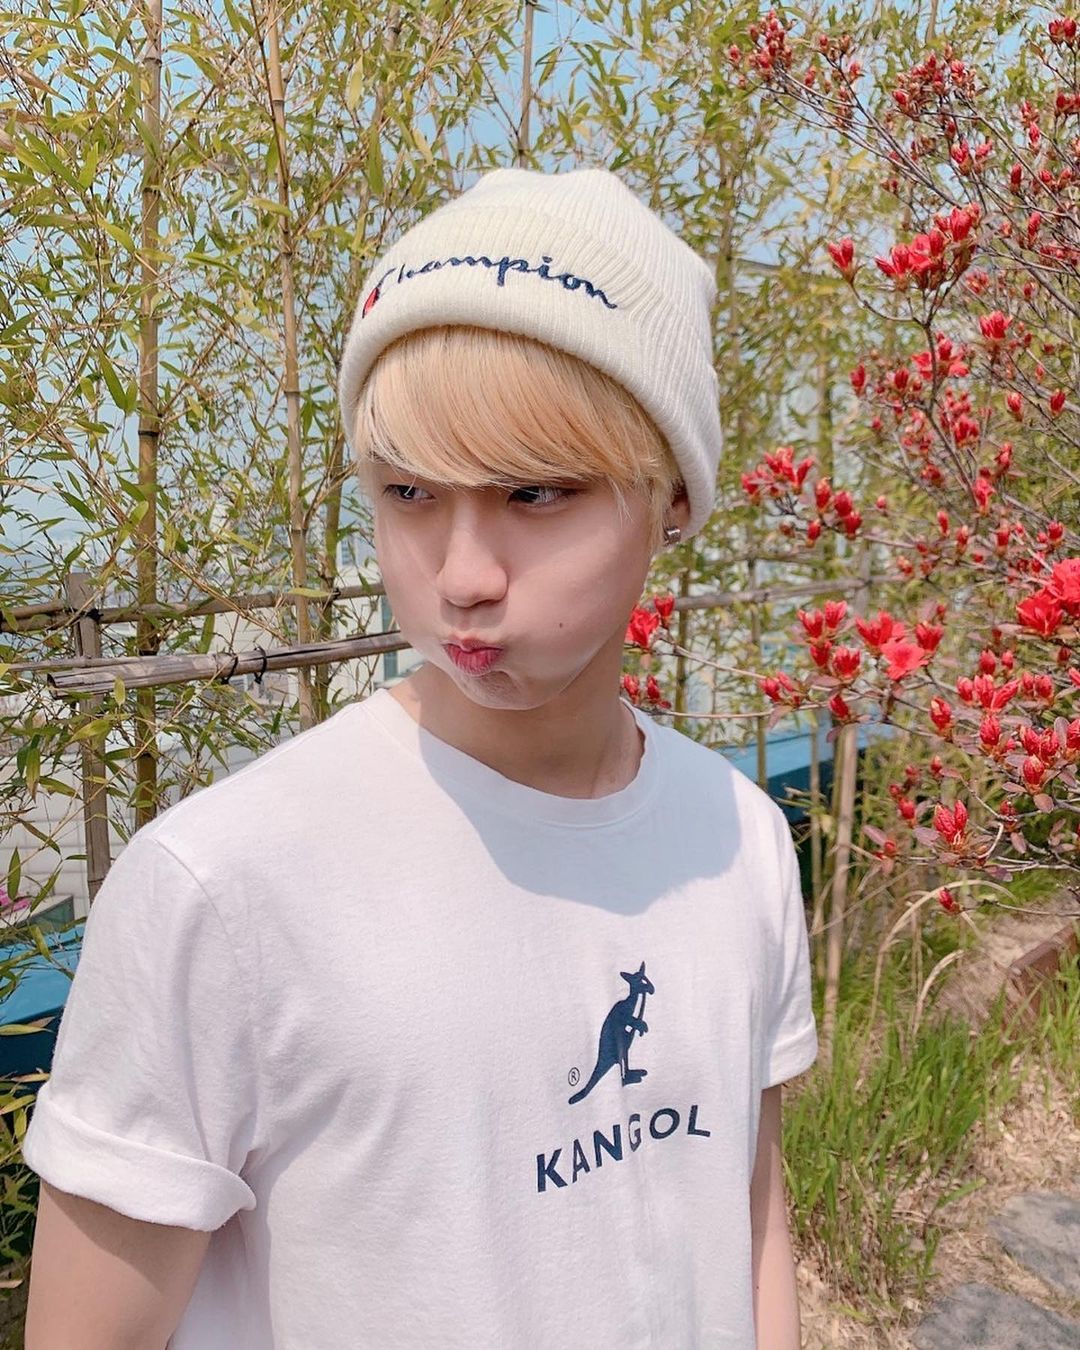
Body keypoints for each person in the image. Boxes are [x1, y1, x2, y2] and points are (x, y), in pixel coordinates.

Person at [21, 166, 817, 1349]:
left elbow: (746, 1214)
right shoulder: (225, 890)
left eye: (535, 492)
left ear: (673, 497)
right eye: (407, 492)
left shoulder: (737, 838)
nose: (461, 576)